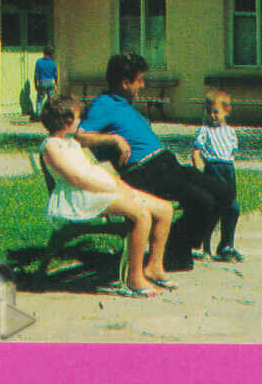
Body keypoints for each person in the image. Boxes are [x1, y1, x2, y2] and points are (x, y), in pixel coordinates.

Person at [75, 52, 231, 272]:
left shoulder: (125, 103)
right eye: (139, 80)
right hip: (144, 172)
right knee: (203, 200)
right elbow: (80, 135)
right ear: (125, 83)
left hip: (165, 164)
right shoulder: (104, 104)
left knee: (223, 192)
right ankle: (176, 248)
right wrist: (114, 139)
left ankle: (176, 243)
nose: (143, 84)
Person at [39, 96, 177, 297]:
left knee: (165, 209)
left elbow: (92, 169)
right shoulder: (51, 146)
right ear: (66, 120)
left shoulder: (72, 143)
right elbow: (76, 178)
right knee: (141, 214)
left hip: (98, 189)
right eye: (77, 117)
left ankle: (154, 266)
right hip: (79, 197)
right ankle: (134, 278)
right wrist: (110, 188)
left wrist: (120, 185)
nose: (80, 122)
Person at [191, 89, 244, 262]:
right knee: (212, 209)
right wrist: (199, 172)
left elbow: (231, 154)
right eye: (209, 112)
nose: (212, 116)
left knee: (232, 208)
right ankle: (204, 246)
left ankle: (226, 245)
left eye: (216, 112)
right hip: (212, 171)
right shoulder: (204, 131)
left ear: (226, 111)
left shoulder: (230, 132)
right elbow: (196, 153)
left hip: (228, 171)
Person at [33, 46, 58, 118]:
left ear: (44, 53)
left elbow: (36, 74)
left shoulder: (39, 62)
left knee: (39, 100)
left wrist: (35, 84)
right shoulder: (53, 63)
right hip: (50, 82)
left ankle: (38, 115)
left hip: (42, 82)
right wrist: (56, 84)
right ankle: (51, 115)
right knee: (51, 100)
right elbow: (55, 75)